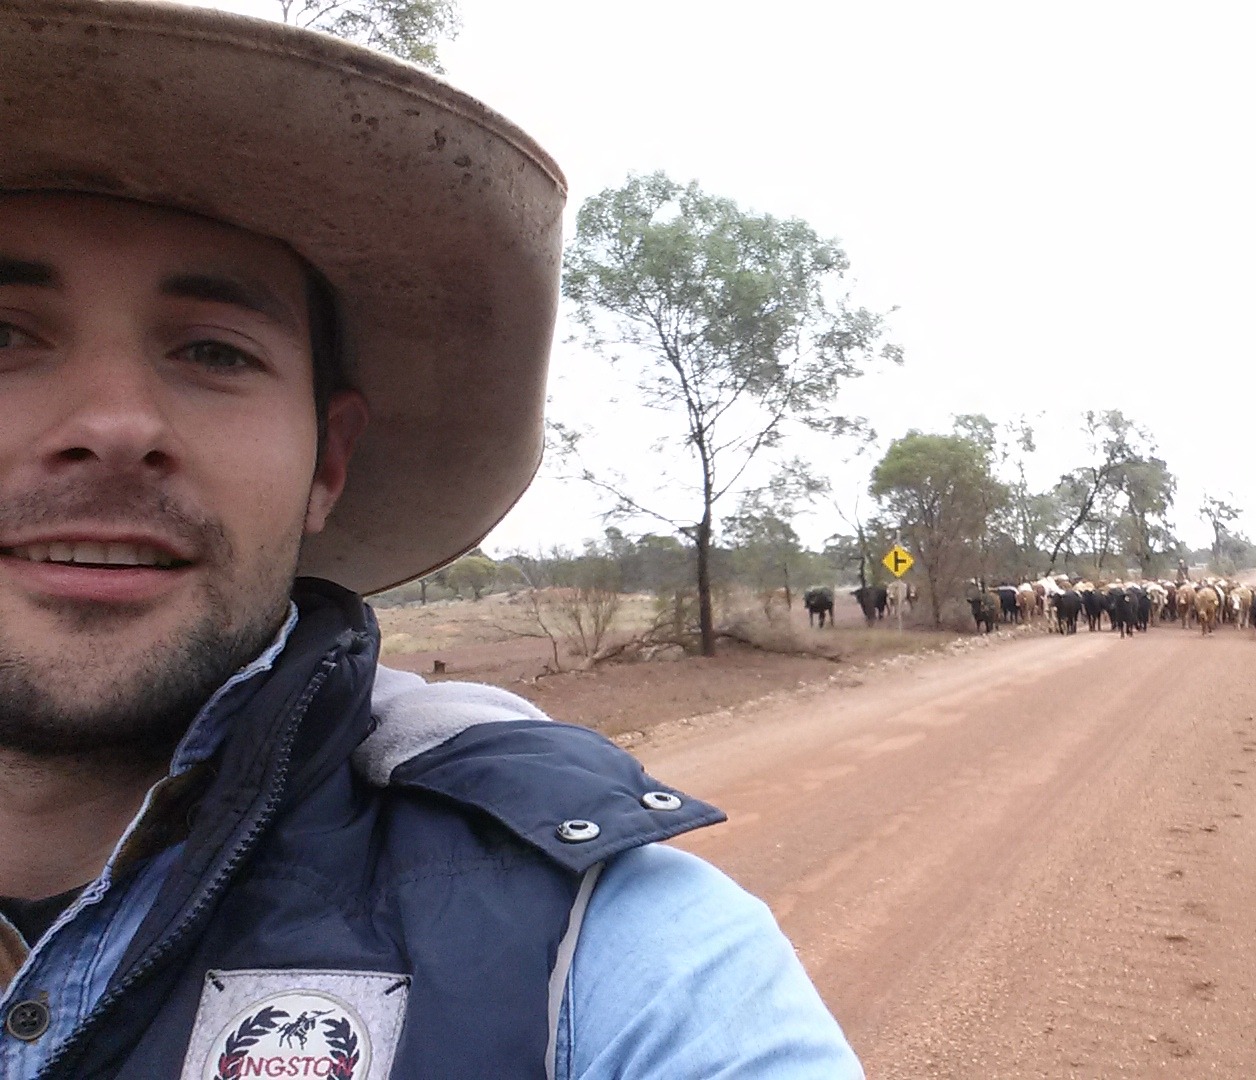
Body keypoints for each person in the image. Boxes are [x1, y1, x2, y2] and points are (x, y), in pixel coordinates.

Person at [0, 2, 860, 1076]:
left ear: (329, 460)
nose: (114, 426)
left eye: (215, 352)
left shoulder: (596, 951)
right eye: (4, 335)